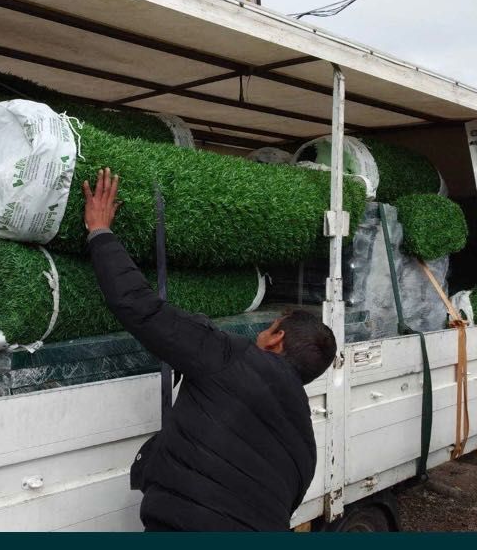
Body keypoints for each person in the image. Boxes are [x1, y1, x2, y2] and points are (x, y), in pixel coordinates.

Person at [82, 167, 337, 531]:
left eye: (267, 328)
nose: (261, 333)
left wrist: (100, 231)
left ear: (277, 339)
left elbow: (140, 306)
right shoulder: (306, 449)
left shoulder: (230, 357)